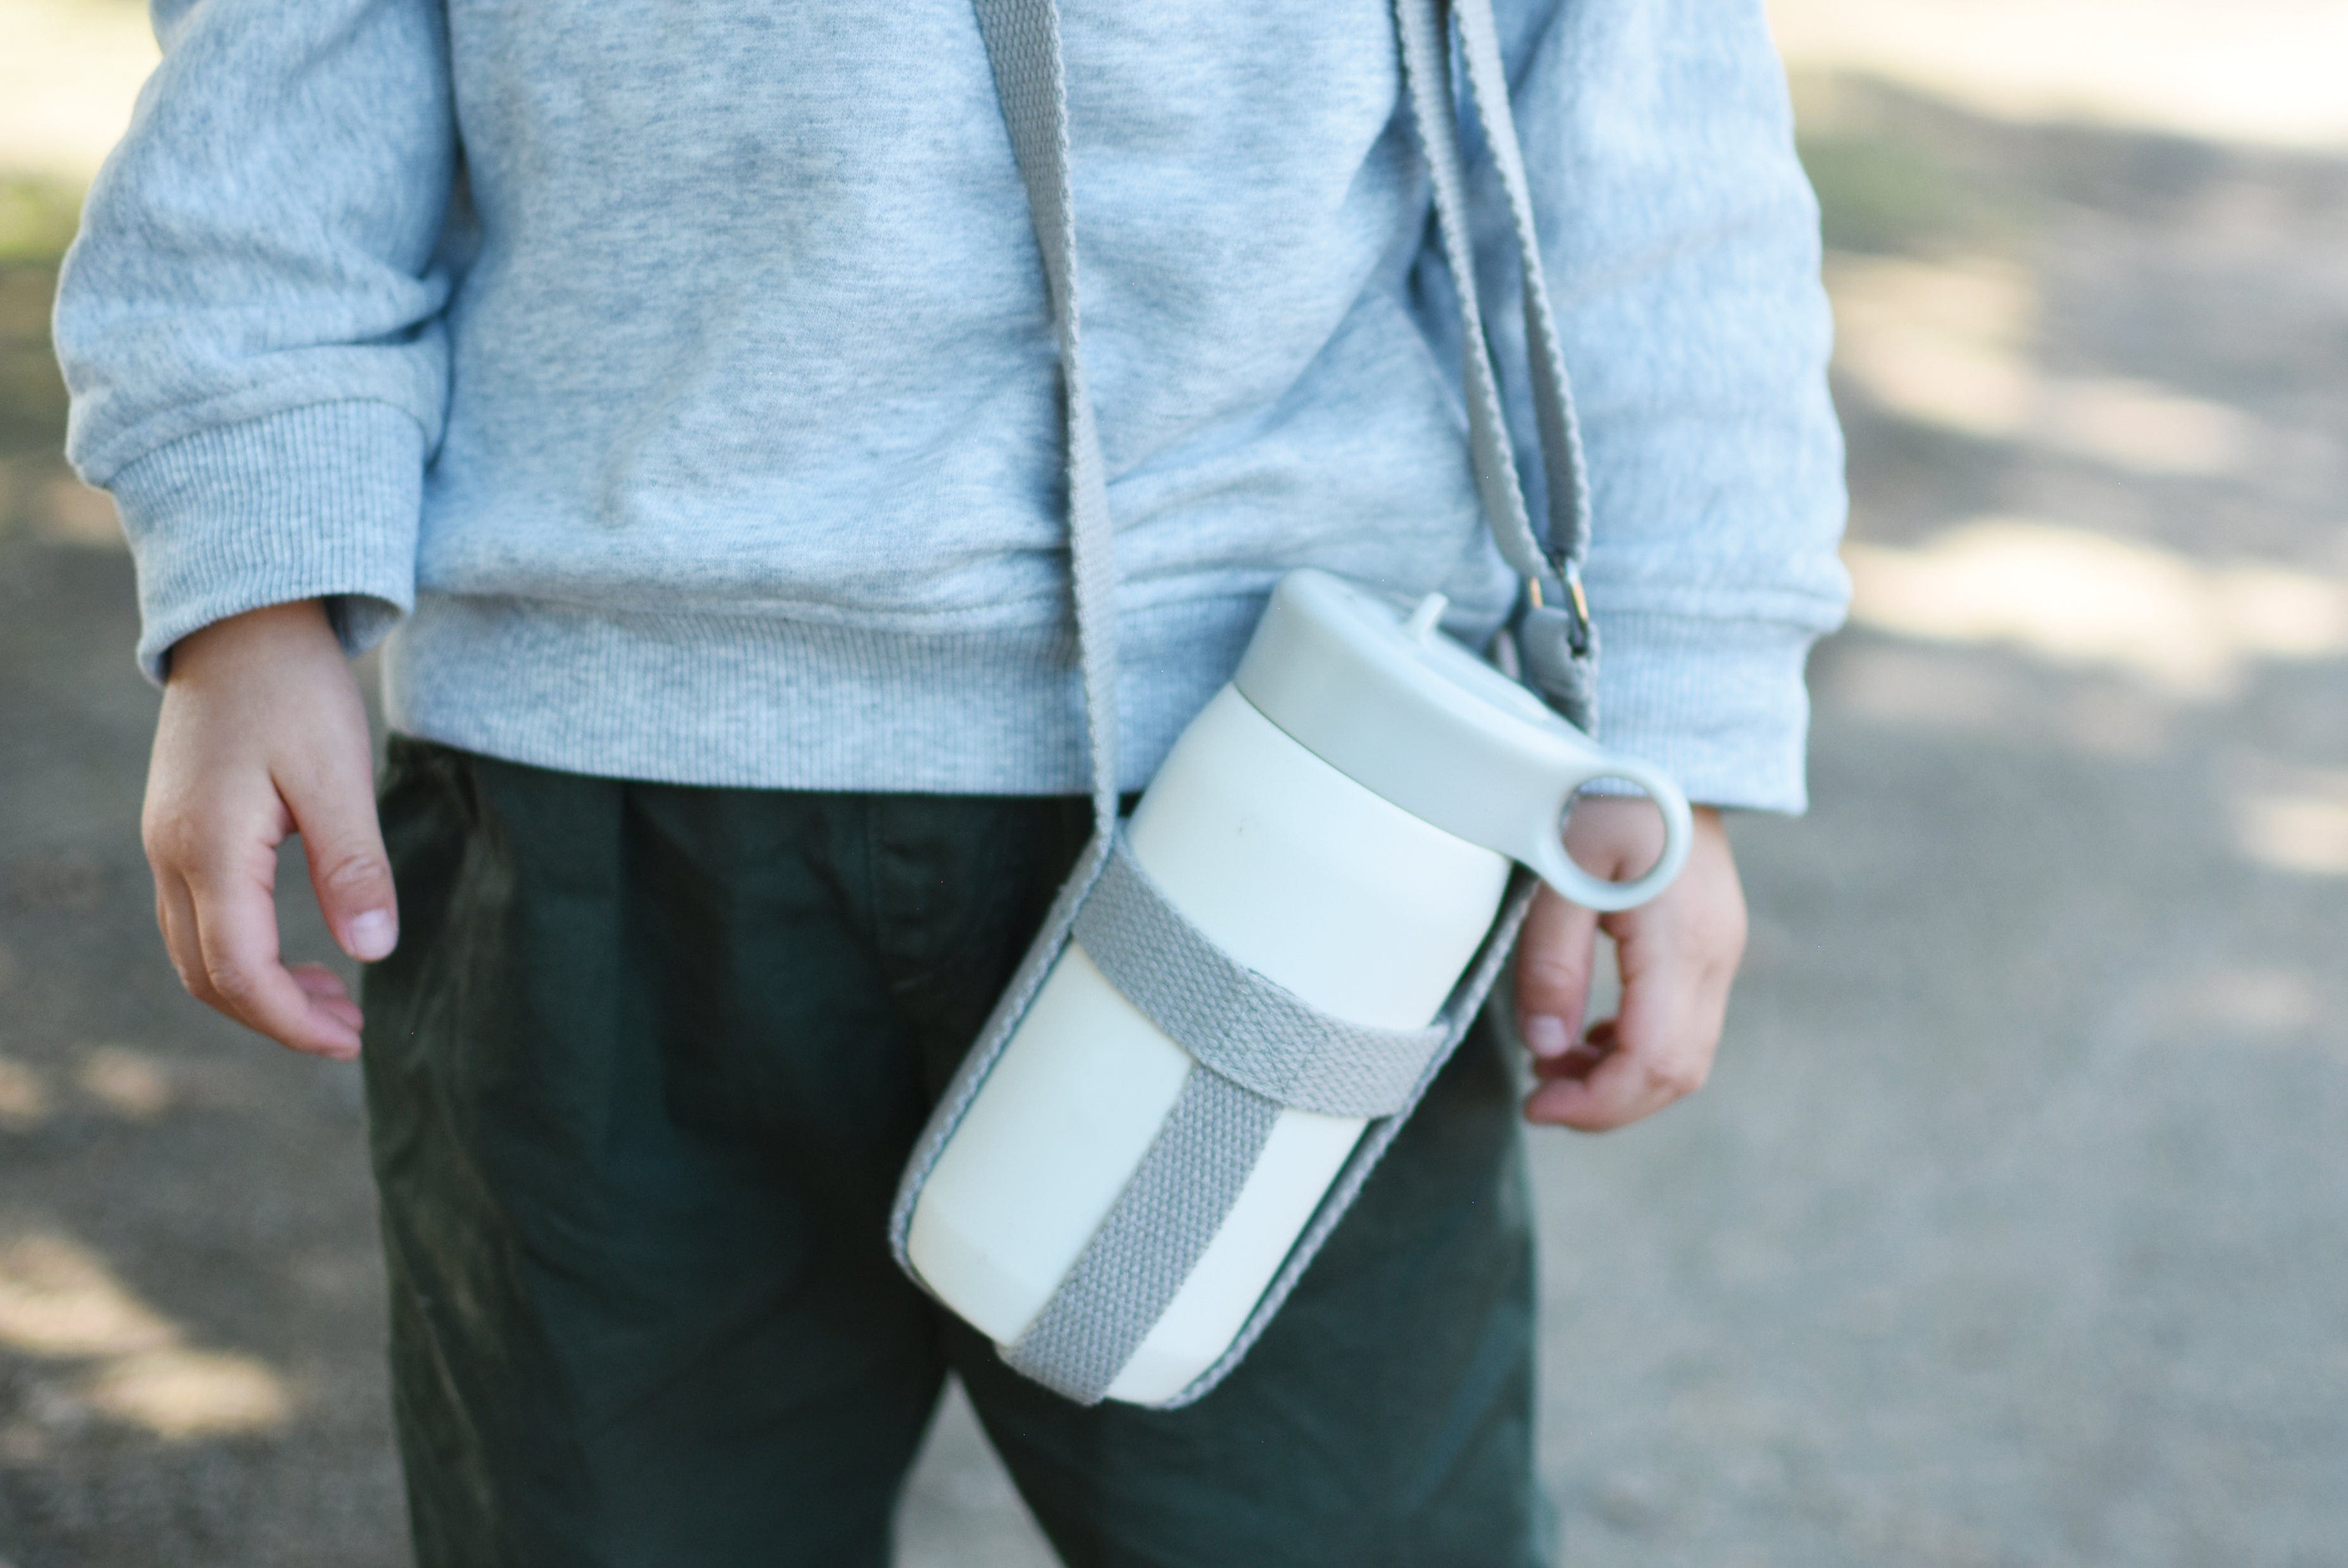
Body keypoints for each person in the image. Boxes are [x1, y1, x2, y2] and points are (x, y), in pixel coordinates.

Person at [55, 0, 1848, 1560]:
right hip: (601, 797)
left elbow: (1650, 161)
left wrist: (1672, 711)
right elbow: (290, 69)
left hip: (1295, 814)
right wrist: (256, 587)